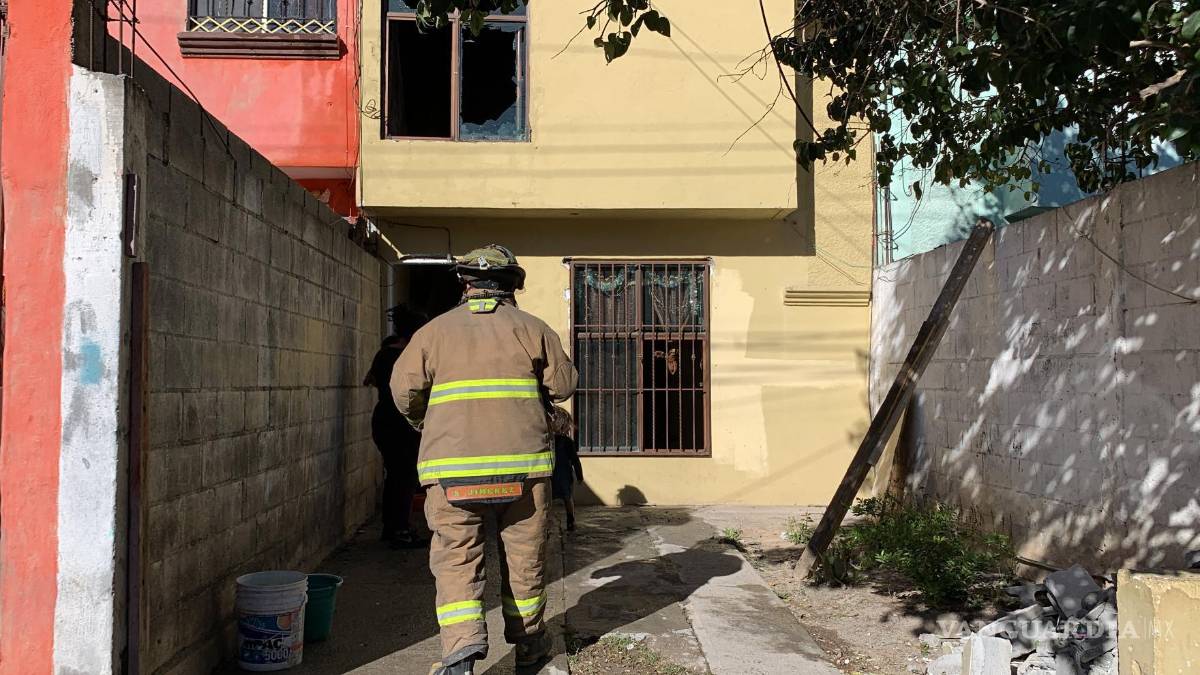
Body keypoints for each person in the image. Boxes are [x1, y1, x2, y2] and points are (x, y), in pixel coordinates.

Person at [391, 245, 577, 675]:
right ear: (513, 285)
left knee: (457, 560)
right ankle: (530, 645)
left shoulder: (432, 333)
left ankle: (461, 651)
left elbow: (403, 393)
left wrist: (429, 423)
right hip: (523, 473)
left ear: (465, 283)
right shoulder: (534, 328)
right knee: (525, 559)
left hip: (451, 473)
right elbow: (564, 385)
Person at [363, 306, 428, 549]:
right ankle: (399, 529)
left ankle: (393, 527)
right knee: (405, 477)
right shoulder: (404, 356)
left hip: (384, 421)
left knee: (397, 476)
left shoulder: (385, 353)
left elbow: (369, 380)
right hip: (400, 423)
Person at [549, 406, 584, 531]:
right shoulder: (567, 441)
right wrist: (579, 476)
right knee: (568, 498)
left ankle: (547, 524)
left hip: (550, 474)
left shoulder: (547, 441)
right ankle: (570, 520)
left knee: (549, 500)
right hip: (564, 475)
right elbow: (575, 460)